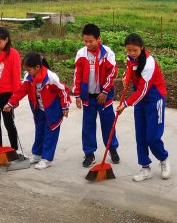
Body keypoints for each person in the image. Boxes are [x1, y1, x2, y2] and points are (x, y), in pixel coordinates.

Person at [3, 51, 70, 170]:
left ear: (37, 67)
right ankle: (37, 155)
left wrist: (65, 107)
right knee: (39, 132)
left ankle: (47, 159)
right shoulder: (28, 78)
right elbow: (21, 91)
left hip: (52, 110)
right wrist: (10, 103)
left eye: (29, 70)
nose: (27, 72)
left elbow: (63, 90)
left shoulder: (50, 77)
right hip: (38, 109)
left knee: (50, 134)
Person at [117, 33, 170, 182]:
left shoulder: (149, 63)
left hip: (154, 99)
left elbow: (143, 90)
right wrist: (126, 75)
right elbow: (130, 68)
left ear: (142, 47)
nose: (132, 53)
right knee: (140, 135)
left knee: (152, 137)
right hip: (140, 100)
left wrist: (126, 104)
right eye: (129, 50)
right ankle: (145, 168)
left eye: (135, 50)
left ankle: (163, 159)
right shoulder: (130, 58)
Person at [72, 23, 120, 168]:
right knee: (88, 125)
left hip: (104, 96)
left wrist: (105, 91)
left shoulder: (107, 53)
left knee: (108, 124)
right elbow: (77, 75)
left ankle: (112, 149)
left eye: (91, 41)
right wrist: (77, 95)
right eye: (85, 41)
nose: (87, 44)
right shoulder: (81, 54)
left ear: (99, 39)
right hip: (88, 97)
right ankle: (89, 153)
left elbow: (112, 73)